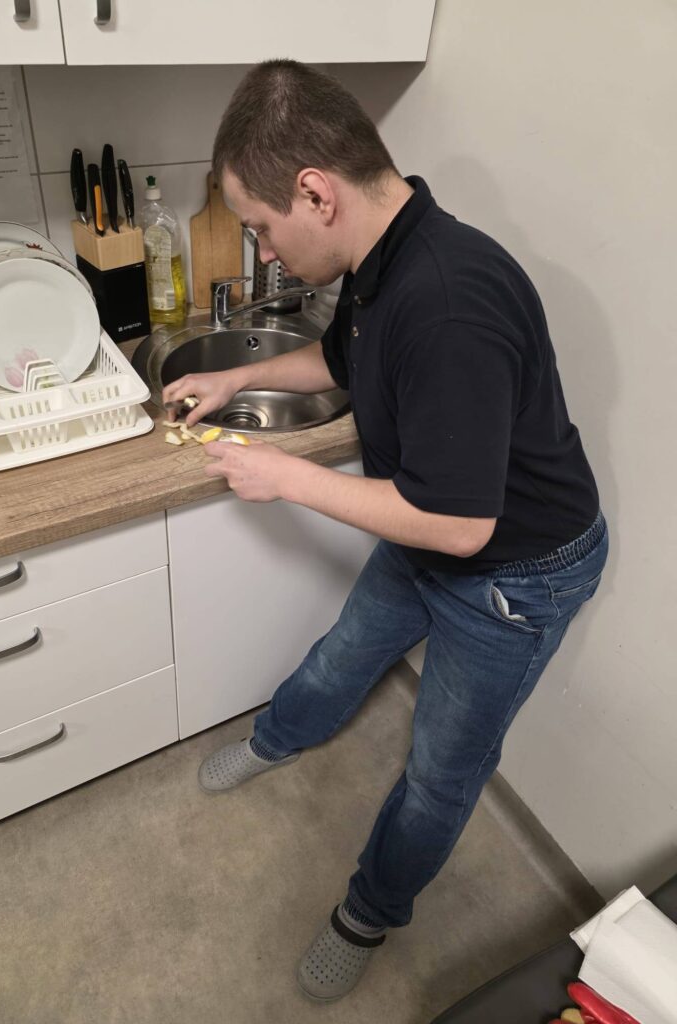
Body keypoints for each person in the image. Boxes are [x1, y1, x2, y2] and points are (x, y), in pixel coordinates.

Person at [161, 59, 608, 1003]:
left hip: (516, 575)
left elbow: (461, 526)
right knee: (346, 651)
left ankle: (369, 909)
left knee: (442, 770)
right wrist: (236, 378)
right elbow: (338, 357)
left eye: (260, 226)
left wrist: (286, 477)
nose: (263, 250)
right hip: (433, 526)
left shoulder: (448, 303)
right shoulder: (383, 257)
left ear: (315, 193)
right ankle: (280, 737)